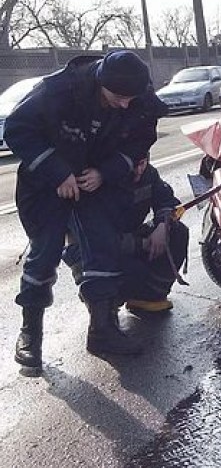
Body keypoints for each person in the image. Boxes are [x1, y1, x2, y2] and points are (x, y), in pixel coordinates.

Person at [5, 50, 165, 375]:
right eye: (118, 97)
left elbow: (140, 140)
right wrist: (57, 172)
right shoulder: (57, 91)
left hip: (95, 183)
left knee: (102, 248)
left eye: (130, 98)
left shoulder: (138, 98)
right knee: (44, 254)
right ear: (100, 83)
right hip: (48, 184)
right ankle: (30, 336)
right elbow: (17, 129)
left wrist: (105, 172)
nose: (125, 105)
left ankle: (102, 330)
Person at [62, 155, 190, 314]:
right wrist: (144, 244)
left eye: (142, 164)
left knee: (178, 232)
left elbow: (167, 201)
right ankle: (103, 307)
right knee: (132, 271)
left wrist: (163, 226)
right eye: (134, 165)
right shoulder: (98, 184)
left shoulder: (148, 174)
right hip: (90, 249)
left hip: (128, 237)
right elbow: (102, 240)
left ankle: (150, 296)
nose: (139, 170)